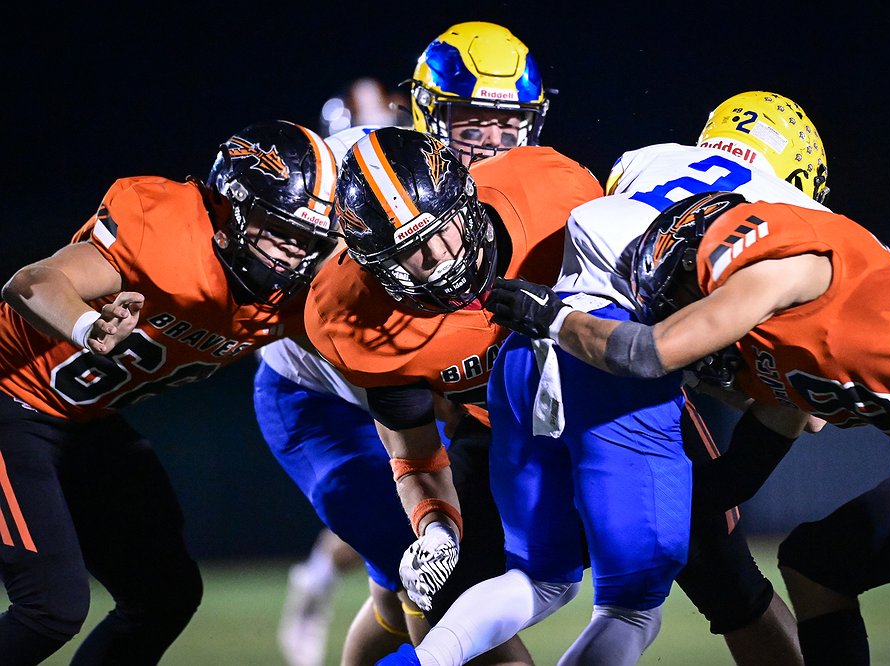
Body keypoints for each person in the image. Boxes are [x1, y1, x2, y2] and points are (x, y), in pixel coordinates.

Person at [376, 90, 830, 666]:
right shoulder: (795, 215)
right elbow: (804, 408)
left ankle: (424, 661)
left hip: (525, 351)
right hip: (616, 371)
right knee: (631, 608)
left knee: (539, 580)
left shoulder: (647, 158)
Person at [484, 184, 890, 663]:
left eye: (675, 297)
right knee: (816, 563)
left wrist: (552, 318)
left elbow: (648, 353)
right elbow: (733, 480)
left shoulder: (779, 256)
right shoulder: (782, 350)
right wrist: (617, 517)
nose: (675, 313)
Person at [259, 21, 556, 666]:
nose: (492, 142)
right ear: (427, 111)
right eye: (472, 121)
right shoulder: (357, 173)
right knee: (441, 581)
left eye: (510, 124)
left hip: (418, 389)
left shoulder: (521, 184)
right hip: (324, 395)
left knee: (404, 600)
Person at [0, 119, 339, 665]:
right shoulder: (167, 230)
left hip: (84, 421)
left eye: (308, 238)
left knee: (165, 596)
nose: (292, 251)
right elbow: (30, 284)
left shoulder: (296, 294)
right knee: (49, 608)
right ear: (233, 205)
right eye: (280, 227)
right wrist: (88, 326)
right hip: (10, 398)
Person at [304, 125, 602, 665]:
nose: (440, 257)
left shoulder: (552, 194)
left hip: (613, 420)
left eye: (443, 228)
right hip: (498, 433)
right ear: (372, 263)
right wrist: (436, 527)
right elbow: (414, 451)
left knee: (720, 577)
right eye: (409, 251)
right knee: (436, 592)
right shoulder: (350, 313)